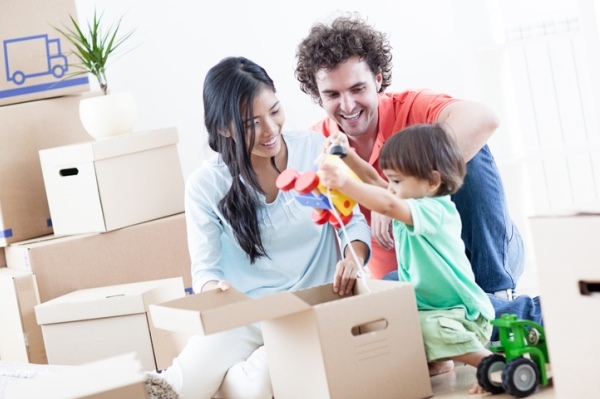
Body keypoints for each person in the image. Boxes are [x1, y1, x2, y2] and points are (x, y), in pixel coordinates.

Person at [295, 13, 542, 340]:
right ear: (318, 94)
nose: (348, 105)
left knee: (461, 152)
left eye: (358, 88)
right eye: (333, 95)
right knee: (395, 294)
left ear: (379, 79)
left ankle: (496, 293)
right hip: (414, 274)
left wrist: (396, 198)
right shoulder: (319, 145)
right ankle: (503, 319)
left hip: (471, 253)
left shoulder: (410, 107)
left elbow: (485, 119)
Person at [156, 56, 371, 399]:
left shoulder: (314, 150)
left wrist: (351, 258)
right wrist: (216, 288)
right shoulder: (205, 185)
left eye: (275, 111)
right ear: (224, 128)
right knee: (180, 384)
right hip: (245, 313)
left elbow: (353, 222)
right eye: (251, 123)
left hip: (310, 306)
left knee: (258, 384)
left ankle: (233, 381)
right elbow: (206, 270)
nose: (270, 129)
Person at [318, 123, 493, 394]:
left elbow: (386, 203)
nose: (390, 187)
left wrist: (343, 184)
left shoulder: (435, 210)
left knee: (422, 329)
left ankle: (488, 362)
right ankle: (441, 361)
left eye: (396, 181)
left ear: (432, 182)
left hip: (463, 314)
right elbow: (374, 182)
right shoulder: (410, 195)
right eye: (391, 180)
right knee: (397, 324)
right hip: (433, 308)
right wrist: (347, 156)